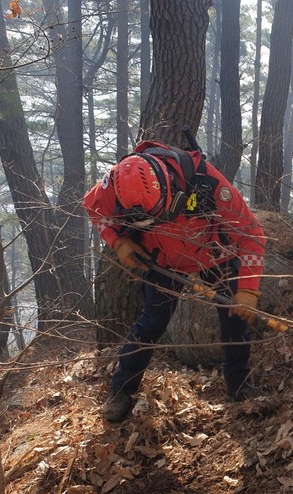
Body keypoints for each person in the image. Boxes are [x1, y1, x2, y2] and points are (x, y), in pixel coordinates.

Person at [84, 140, 266, 423]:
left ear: (168, 183)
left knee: (234, 318)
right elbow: (92, 208)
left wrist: (248, 289)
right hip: (163, 259)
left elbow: (251, 233)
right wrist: (118, 241)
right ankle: (121, 390)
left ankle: (239, 386)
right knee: (151, 322)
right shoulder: (114, 185)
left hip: (212, 250)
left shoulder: (206, 180)